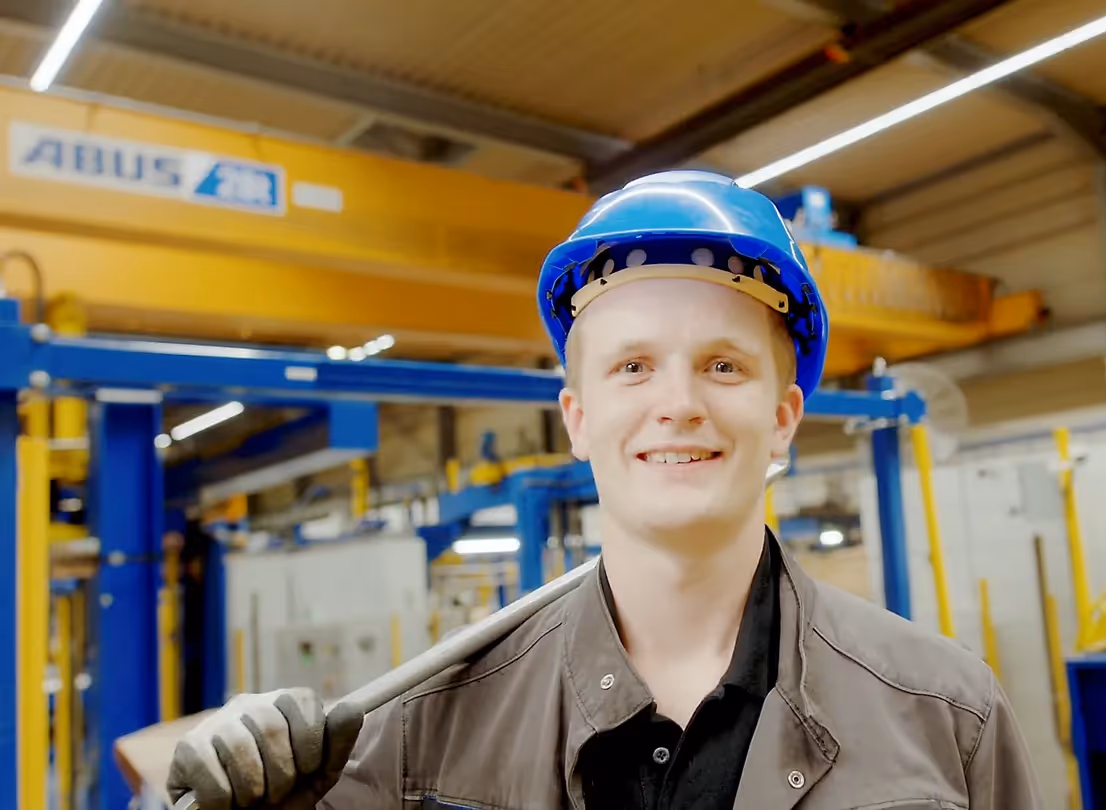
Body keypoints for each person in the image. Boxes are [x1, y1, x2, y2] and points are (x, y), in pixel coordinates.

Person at [167, 170, 1043, 809]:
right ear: (578, 420)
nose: (679, 404)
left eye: (723, 366)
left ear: (783, 419)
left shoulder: (945, 716)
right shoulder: (424, 729)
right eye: (633, 367)